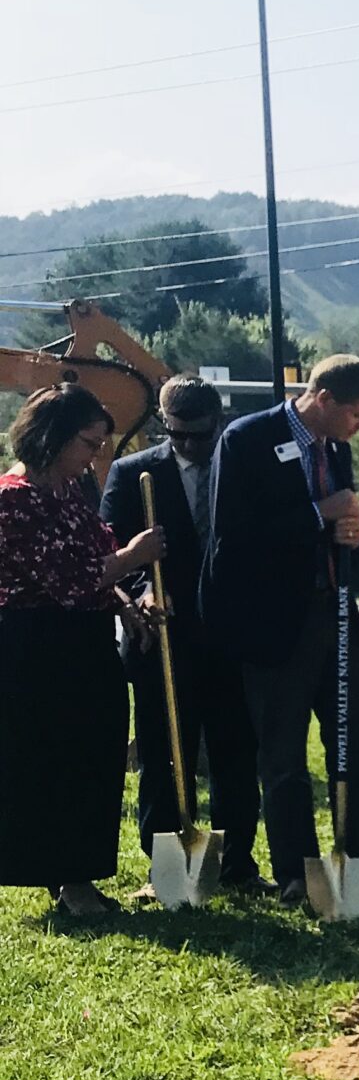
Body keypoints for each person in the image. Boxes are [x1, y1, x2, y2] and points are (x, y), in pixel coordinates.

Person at [200, 352, 359, 906]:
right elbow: (232, 535)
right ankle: (297, 873)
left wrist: (347, 533)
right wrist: (318, 514)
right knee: (284, 757)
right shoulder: (247, 439)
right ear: (323, 400)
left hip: (337, 614)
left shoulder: (336, 449)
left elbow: (331, 523)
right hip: (276, 627)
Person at [101, 374, 268, 895]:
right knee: (160, 751)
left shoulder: (240, 466)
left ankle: (236, 863)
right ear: (162, 425)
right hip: (160, 641)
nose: (193, 447)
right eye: (180, 436)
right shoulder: (132, 475)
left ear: (218, 423)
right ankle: (166, 869)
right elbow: (108, 550)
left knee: (234, 751)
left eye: (203, 435)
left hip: (228, 637)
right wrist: (141, 588)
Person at [0, 385, 162, 917]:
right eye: (89, 442)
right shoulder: (13, 498)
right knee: (56, 762)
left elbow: (93, 567)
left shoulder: (72, 491)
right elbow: (68, 579)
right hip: (38, 650)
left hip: (86, 646)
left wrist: (124, 606)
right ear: (52, 437)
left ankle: (77, 875)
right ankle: (69, 883)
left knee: (95, 757)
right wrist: (132, 556)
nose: (97, 454)